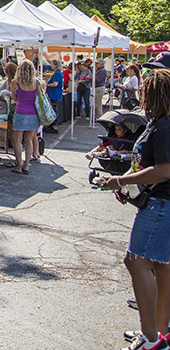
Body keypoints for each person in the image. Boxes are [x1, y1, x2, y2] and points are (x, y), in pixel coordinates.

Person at [102, 69, 170, 350]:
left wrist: (121, 180)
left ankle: (151, 338)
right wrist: (129, 187)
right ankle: (159, 332)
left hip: (161, 204)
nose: (139, 92)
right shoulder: (159, 123)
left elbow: (165, 170)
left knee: (136, 261)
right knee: (161, 266)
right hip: (158, 201)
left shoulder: (164, 126)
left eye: (144, 89)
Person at [10, 60, 41, 174]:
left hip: (20, 111)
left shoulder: (15, 82)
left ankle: (19, 165)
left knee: (17, 140)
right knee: (29, 140)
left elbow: (15, 98)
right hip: (33, 112)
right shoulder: (37, 82)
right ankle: (27, 165)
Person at [44, 59, 64, 134]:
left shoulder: (57, 73)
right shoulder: (58, 73)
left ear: (55, 65)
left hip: (54, 94)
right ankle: (53, 125)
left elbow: (55, 84)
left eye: (52, 64)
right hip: (54, 94)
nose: (51, 66)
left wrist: (46, 84)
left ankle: (53, 125)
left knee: (53, 109)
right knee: (54, 109)